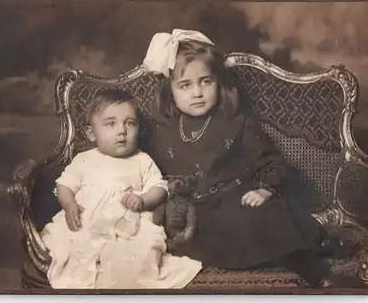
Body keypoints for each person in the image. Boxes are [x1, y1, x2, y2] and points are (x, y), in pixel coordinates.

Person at [142, 29, 335, 288]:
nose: (197, 92)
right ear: (170, 91)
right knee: (177, 234)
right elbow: (147, 171)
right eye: (185, 85)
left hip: (234, 202)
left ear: (218, 84)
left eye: (205, 82)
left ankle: (311, 268)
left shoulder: (236, 122)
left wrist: (264, 190)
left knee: (263, 214)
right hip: (195, 214)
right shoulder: (162, 131)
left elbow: (271, 162)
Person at [39, 88, 202, 289]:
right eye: (110, 124)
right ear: (91, 133)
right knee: (71, 248)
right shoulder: (84, 160)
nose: (122, 131)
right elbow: (64, 185)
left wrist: (143, 200)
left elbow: (160, 188)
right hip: (88, 221)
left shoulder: (141, 160)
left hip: (129, 225)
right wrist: (69, 204)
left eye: (130, 123)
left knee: (136, 255)